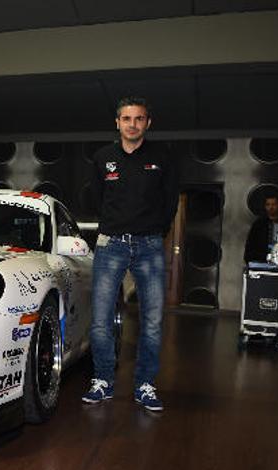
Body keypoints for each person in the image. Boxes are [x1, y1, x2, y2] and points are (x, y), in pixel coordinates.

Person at [82, 96, 179, 412]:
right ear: (118, 123)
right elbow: (97, 198)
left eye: (139, 119)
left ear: (147, 123)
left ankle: (146, 385)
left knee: (152, 321)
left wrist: (157, 231)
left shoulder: (162, 157)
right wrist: (114, 224)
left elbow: (170, 201)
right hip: (110, 246)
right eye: (127, 118)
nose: (133, 124)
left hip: (150, 246)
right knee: (100, 320)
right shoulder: (102, 158)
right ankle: (103, 382)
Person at [244, 195, 278, 263]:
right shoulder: (258, 224)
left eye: (273, 204)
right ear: (265, 207)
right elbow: (249, 248)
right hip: (260, 263)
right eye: (268, 204)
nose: (271, 207)